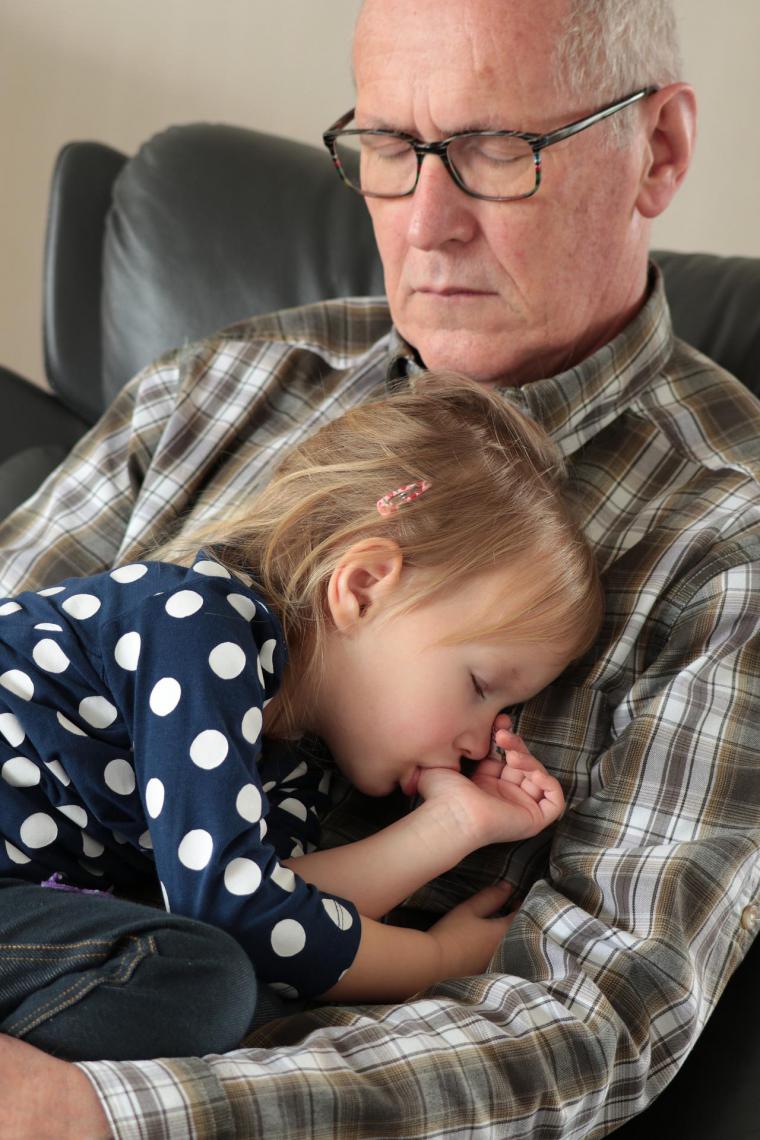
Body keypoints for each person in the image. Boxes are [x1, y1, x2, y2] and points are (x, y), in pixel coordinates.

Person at [0, 0, 758, 1137]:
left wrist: (91, 1114)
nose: (426, 221)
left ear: (658, 149)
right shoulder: (216, 391)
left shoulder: (727, 545)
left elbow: (589, 1023)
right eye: (390, 149)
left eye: (499, 149)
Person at [0, 375, 600, 1059]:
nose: (479, 740)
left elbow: (278, 909)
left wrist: (454, 824)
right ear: (364, 588)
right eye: (479, 685)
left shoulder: (294, 764)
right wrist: (431, 959)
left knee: (218, 986)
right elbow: (236, 911)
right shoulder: (198, 624)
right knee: (210, 982)